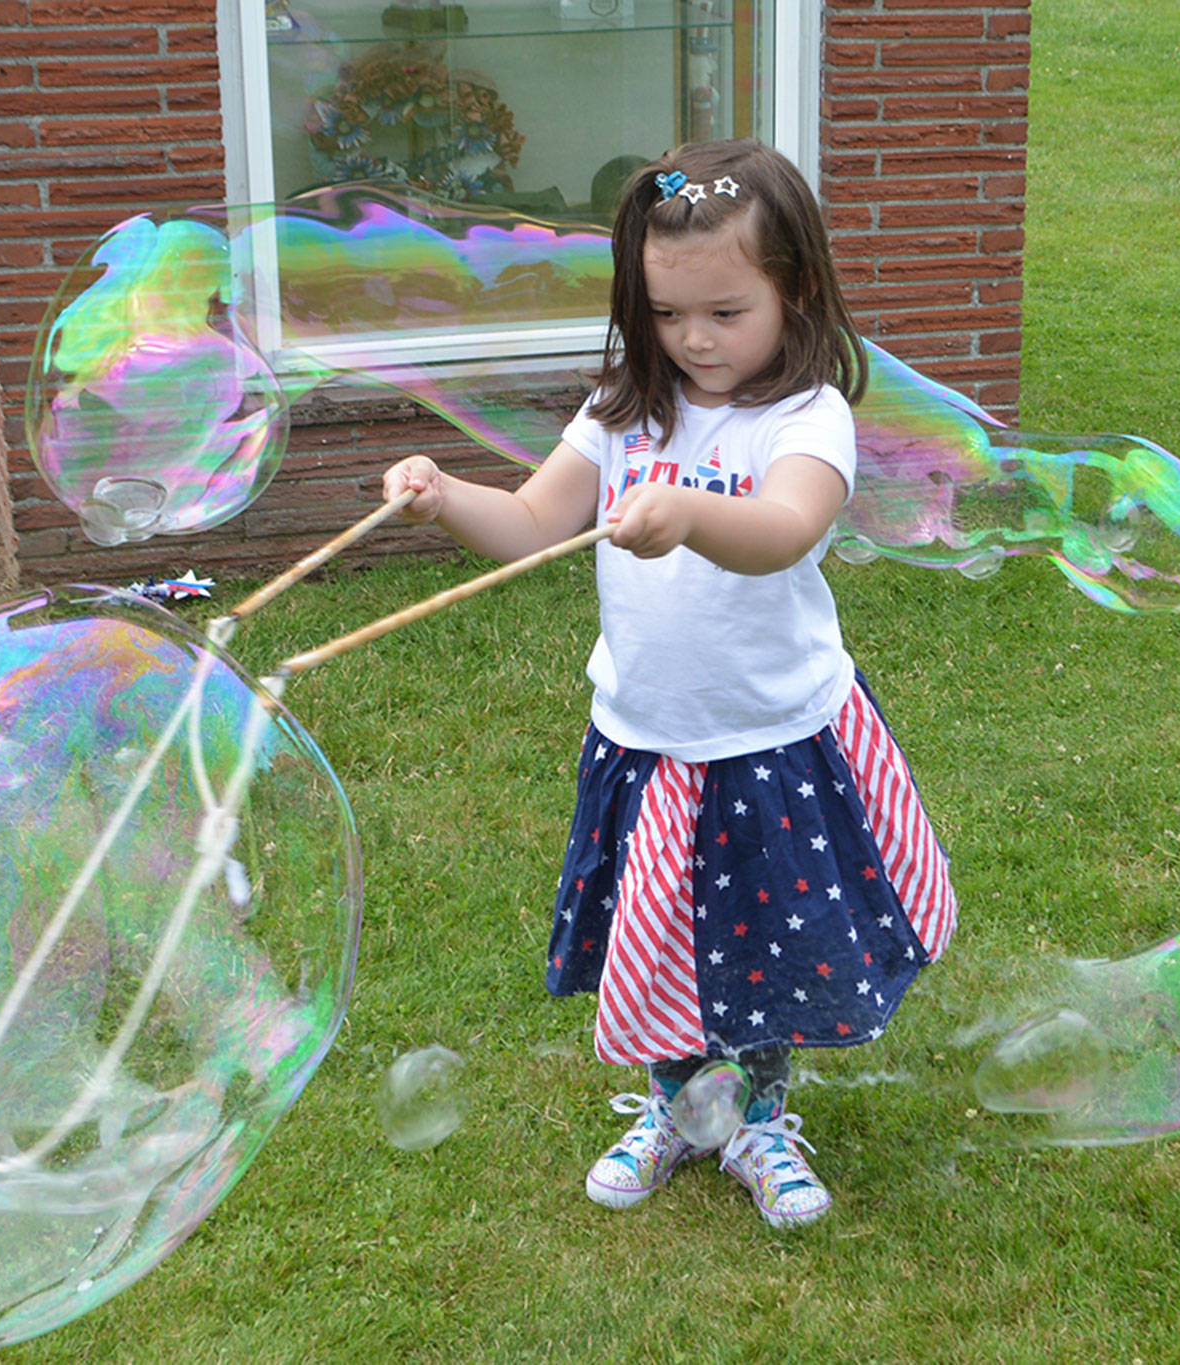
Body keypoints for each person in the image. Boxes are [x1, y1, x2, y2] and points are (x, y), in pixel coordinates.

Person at [382, 139, 956, 1229]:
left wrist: (688, 513)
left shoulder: (805, 421)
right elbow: (528, 523)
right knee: (665, 945)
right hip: (648, 742)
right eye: (665, 313)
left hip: (769, 741)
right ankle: (676, 1104)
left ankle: (759, 1115)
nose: (692, 339)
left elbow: (783, 530)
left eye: (724, 313)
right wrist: (443, 495)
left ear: (795, 293)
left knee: (762, 941)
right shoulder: (619, 416)